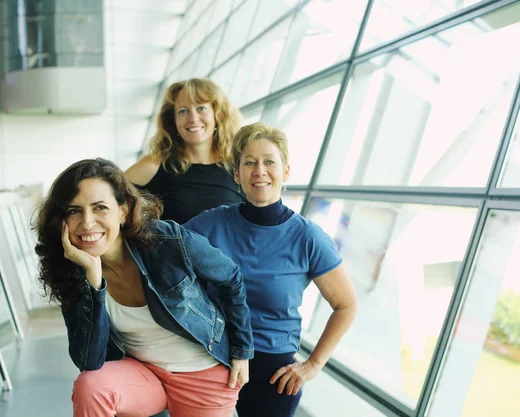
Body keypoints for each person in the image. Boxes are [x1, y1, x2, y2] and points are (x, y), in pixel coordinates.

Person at [34, 158, 253, 417]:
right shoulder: (72, 271)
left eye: (100, 208)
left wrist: (242, 351)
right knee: (90, 385)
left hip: (202, 373)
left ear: (123, 211)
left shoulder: (168, 240)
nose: (87, 222)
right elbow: (89, 362)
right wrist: (94, 280)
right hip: (142, 374)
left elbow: (231, 278)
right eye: (74, 211)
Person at [184, 123, 358, 417]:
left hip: (272, 371)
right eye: (249, 162)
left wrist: (312, 366)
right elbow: (162, 257)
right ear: (236, 174)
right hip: (210, 357)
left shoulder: (309, 238)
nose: (259, 171)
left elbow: (346, 305)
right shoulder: (209, 224)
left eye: (269, 162)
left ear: (285, 172)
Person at [125, 78, 245, 224]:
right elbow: (108, 200)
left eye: (201, 108)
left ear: (217, 115)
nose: (193, 119)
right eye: (183, 111)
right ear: (173, 121)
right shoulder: (153, 166)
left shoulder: (240, 167)